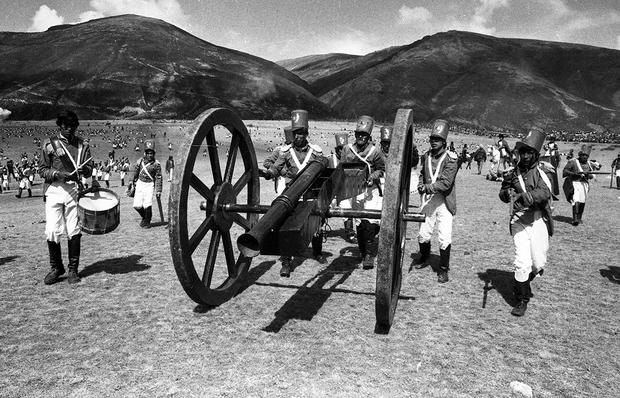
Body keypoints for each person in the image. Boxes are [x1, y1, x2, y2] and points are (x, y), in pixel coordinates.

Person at [259, 110, 325, 276]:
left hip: (310, 192)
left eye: (301, 134)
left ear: (306, 134)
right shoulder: (286, 152)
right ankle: (286, 261)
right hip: (291, 193)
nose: (297, 137)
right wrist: (268, 174)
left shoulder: (316, 152)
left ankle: (318, 252)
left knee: (316, 222)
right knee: (285, 225)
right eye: (295, 134)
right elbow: (276, 167)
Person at [498, 130, 554, 316]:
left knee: (538, 263)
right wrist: (506, 194)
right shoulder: (512, 173)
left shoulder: (544, 170)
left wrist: (526, 197)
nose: (526, 155)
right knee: (522, 261)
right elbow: (503, 192)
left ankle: (523, 281)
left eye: (530, 152)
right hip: (519, 220)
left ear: (535, 154)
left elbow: (545, 192)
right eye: (523, 152)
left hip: (538, 219)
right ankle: (521, 299)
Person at [39, 110, 94, 284]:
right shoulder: (49, 144)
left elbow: (90, 168)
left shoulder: (82, 145)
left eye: (73, 126)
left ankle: (73, 270)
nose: (70, 129)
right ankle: (56, 268)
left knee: (74, 229)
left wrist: (85, 170)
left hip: (73, 190)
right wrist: (57, 174)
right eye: (66, 126)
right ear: (60, 126)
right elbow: (42, 170)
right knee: (52, 230)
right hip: (54, 189)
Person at [412, 119, 458, 283]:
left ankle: (443, 269)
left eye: (437, 139)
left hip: (444, 202)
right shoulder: (426, 156)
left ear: (444, 142)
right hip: (428, 200)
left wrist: (427, 188)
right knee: (423, 234)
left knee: (444, 237)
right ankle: (424, 257)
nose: (433, 142)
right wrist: (419, 185)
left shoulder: (451, 158)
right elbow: (422, 175)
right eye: (432, 139)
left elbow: (446, 183)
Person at [339, 115, 385, 269]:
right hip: (354, 191)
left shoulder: (375, 151)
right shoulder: (347, 149)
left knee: (369, 223)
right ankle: (362, 251)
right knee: (359, 222)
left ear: (368, 137)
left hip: (370, 191)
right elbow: (342, 168)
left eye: (363, 135)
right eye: (358, 134)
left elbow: (381, 169)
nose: (360, 137)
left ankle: (369, 255)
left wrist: (373, 176)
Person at [562, 145, 600, 226]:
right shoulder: (573, 162)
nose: (584, 157)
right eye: (583, 155)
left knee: (582, 201)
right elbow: (565, 171)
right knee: (576, 200)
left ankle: (579, 218)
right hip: (574, 183)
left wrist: (588, 175)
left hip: (584, 184)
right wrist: (573, 174)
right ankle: (575, 218)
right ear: (580, 155)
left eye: (586, 156)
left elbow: (591, 175)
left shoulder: (589, 164)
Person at [329, 132, 356, 243]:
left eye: (343, 149)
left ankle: (350, 233)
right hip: (331, 192)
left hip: (343, 192)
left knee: (348, 211)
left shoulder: (351, 161)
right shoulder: (330, 160)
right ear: (336, 150)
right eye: (339, 149)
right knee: (322, 210)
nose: (341, 151)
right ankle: (318, 231)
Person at [129, 140, 162, 228]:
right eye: (148, 153)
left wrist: (158, 190)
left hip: (149, 185)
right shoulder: (140, 162)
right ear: (145, 153)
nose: (150, 155)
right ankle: (144, 217)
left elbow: (158, 178)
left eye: (151, 153)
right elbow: (135, 173)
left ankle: (147, 222)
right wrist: (131, 181)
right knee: (137, 205)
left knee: (147, 204)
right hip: (140, 183)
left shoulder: (156, 164)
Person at [263, 127, 294, 195]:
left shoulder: (298, 150)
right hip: (282, 179)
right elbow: (266, 163)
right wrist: (280, 170)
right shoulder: (279, 150)